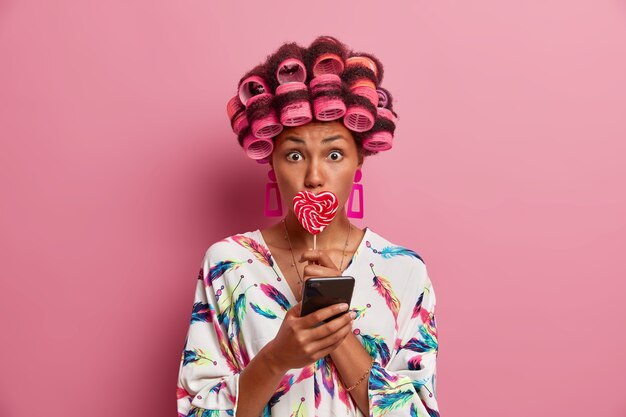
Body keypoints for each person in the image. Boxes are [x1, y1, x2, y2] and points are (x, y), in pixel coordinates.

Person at [176, 36, 440, 417]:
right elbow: (197, 411)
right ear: (271, 163)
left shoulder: (403, 271)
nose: (314, 176)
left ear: (358, 162)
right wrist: (277, 357)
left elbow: (417, 412)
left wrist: (340, 335)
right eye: (295, 154)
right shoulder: (227, 265)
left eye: (334, 154)